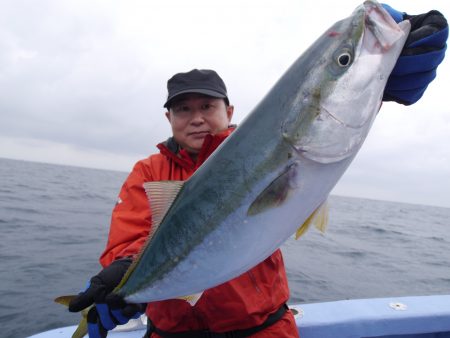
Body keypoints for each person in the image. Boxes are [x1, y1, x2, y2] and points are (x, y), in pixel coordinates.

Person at [68, 5, 448, 338]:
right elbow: (128, 242)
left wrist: (385, 76)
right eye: (183, 109)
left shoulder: (266, 142)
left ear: (229, 112)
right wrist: (126, 275)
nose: (196, 118)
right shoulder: (149, 172)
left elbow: (335, 114)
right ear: (168, 117)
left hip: (264, 331)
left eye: (207, 106)